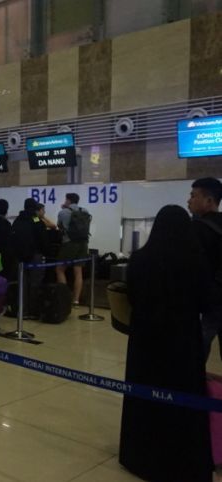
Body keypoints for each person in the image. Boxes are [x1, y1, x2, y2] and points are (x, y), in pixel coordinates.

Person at [119, 205, 212, 482]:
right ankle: (178, 457)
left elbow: (131, 296)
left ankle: (139, 455)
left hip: (145, 339)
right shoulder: (196, 261)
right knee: (180, 398)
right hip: (182, 340)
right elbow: (206, 302)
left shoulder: (140, 259)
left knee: (144, 394)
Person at [188, 177, 222, 360]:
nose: (189, 200)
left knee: (198, 347)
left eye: (194, 196)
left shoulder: (197, 229)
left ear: (209, 200)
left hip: (210, 301)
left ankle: (193, 377)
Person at [11, 198, 48, 318]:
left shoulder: (18, 220)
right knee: (35, 283)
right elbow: (43, 238)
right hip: (34, 255)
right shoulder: (36, 220)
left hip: (20, 257)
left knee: (22, 284)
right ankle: (33, 311)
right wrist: (44, 251)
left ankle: (23, 310)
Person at [55, 193, 90, 305]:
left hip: (69, 243)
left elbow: (59, 226)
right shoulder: (85, 211)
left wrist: (63, 209)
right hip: (83, 243)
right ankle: (76, 300)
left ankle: (64, 299)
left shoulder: (63, 212)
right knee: (78, 271)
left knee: (60, 269)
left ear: (68, 200)